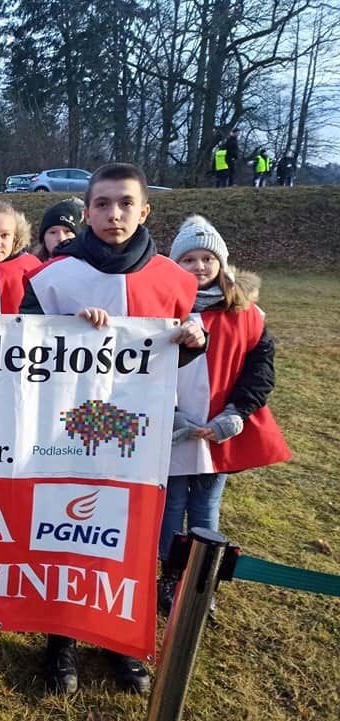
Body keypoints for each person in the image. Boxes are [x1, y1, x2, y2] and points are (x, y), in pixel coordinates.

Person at [20, 162, 206, 695]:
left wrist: (195, 343)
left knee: (134, 536)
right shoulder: (52, 277)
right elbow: (19, 350)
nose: (114, 214)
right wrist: (63, 333)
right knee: (64, 533)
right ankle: (60, 641)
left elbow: (178, 358)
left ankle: (121, 641)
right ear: (87, 212)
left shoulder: (175, 280)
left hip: (139, 439)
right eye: (102, 204)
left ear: (144, 211)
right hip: (66, 435)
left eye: (125, 203)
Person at [160, 216, 291, 613]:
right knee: (170, 505)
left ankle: (199, 580)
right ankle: (169, 575)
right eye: (189, 259)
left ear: (222, 262)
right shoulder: (162, 308)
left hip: (217, 430)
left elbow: (259, 370)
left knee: (205, 504)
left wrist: (237, 413)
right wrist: (167, 413)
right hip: (173, 428)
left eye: (207, 258)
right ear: (174, 264)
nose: (199, 266)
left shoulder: (246, 313)